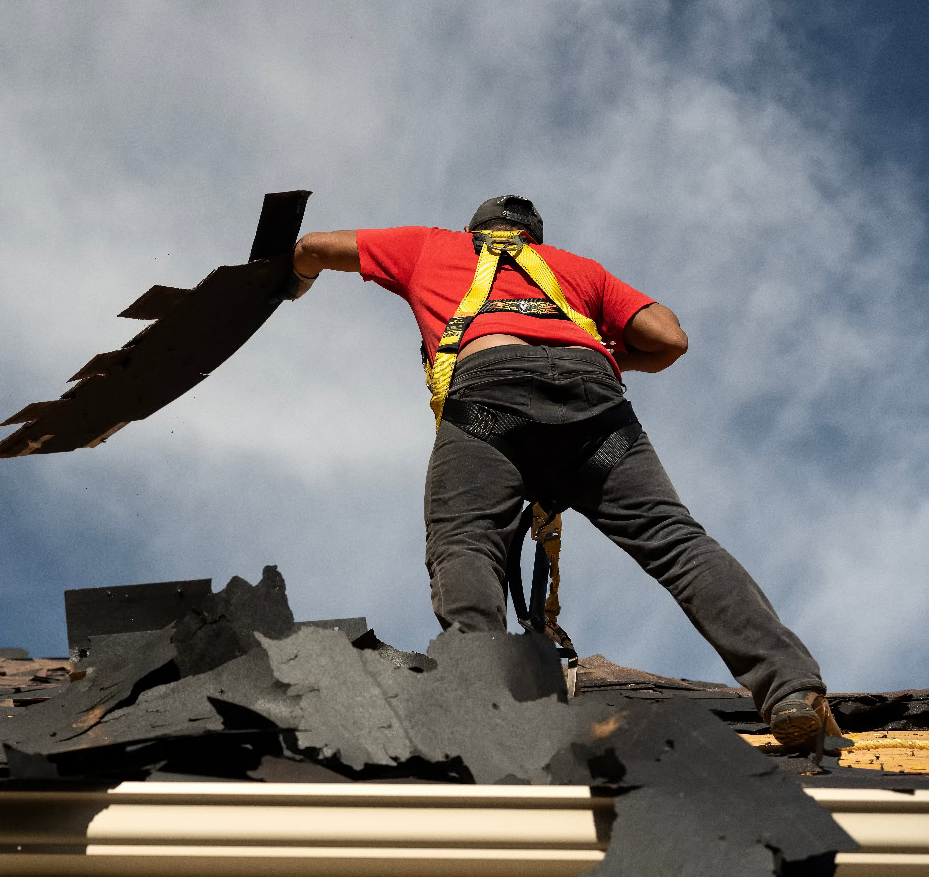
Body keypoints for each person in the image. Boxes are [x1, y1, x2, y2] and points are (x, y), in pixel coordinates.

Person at [290, 194, 838, 749]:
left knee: (467, 542)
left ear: (473, 230)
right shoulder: (579, 271)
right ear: (536, 240)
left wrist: (294, 279)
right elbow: (670, 338)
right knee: (675, 542)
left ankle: (482, 703)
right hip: (594, 422)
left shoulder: (431, 246)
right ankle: (791, 689)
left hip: (489, 412)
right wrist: (589, 348)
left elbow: (314, 247)